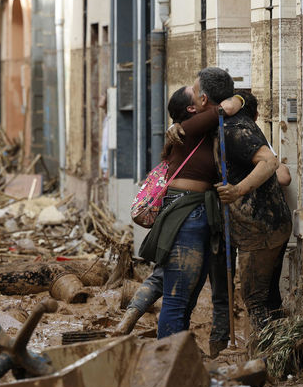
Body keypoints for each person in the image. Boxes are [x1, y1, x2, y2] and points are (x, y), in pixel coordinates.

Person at [114, 86, 241, 339]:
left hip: (194, 214)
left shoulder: (194, 129)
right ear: (192, 108)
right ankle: (166, 357)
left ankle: (175, 354)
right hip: (188, 214)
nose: (200, 91)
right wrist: (236, 97)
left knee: (182, 293)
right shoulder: (189, 127)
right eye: (195, 92)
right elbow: (231, 104)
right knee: (178, 297)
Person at [176, 67, 293, 337]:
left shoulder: (233, 128)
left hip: (261, 229)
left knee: (255, 300)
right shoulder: (220, 122)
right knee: (267, 299)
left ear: (204, 99)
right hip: (257, 228)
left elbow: (270, 161)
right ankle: (279, 358)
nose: (191, 97)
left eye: (194, 92)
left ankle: (271, 361)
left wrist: (237, 190)